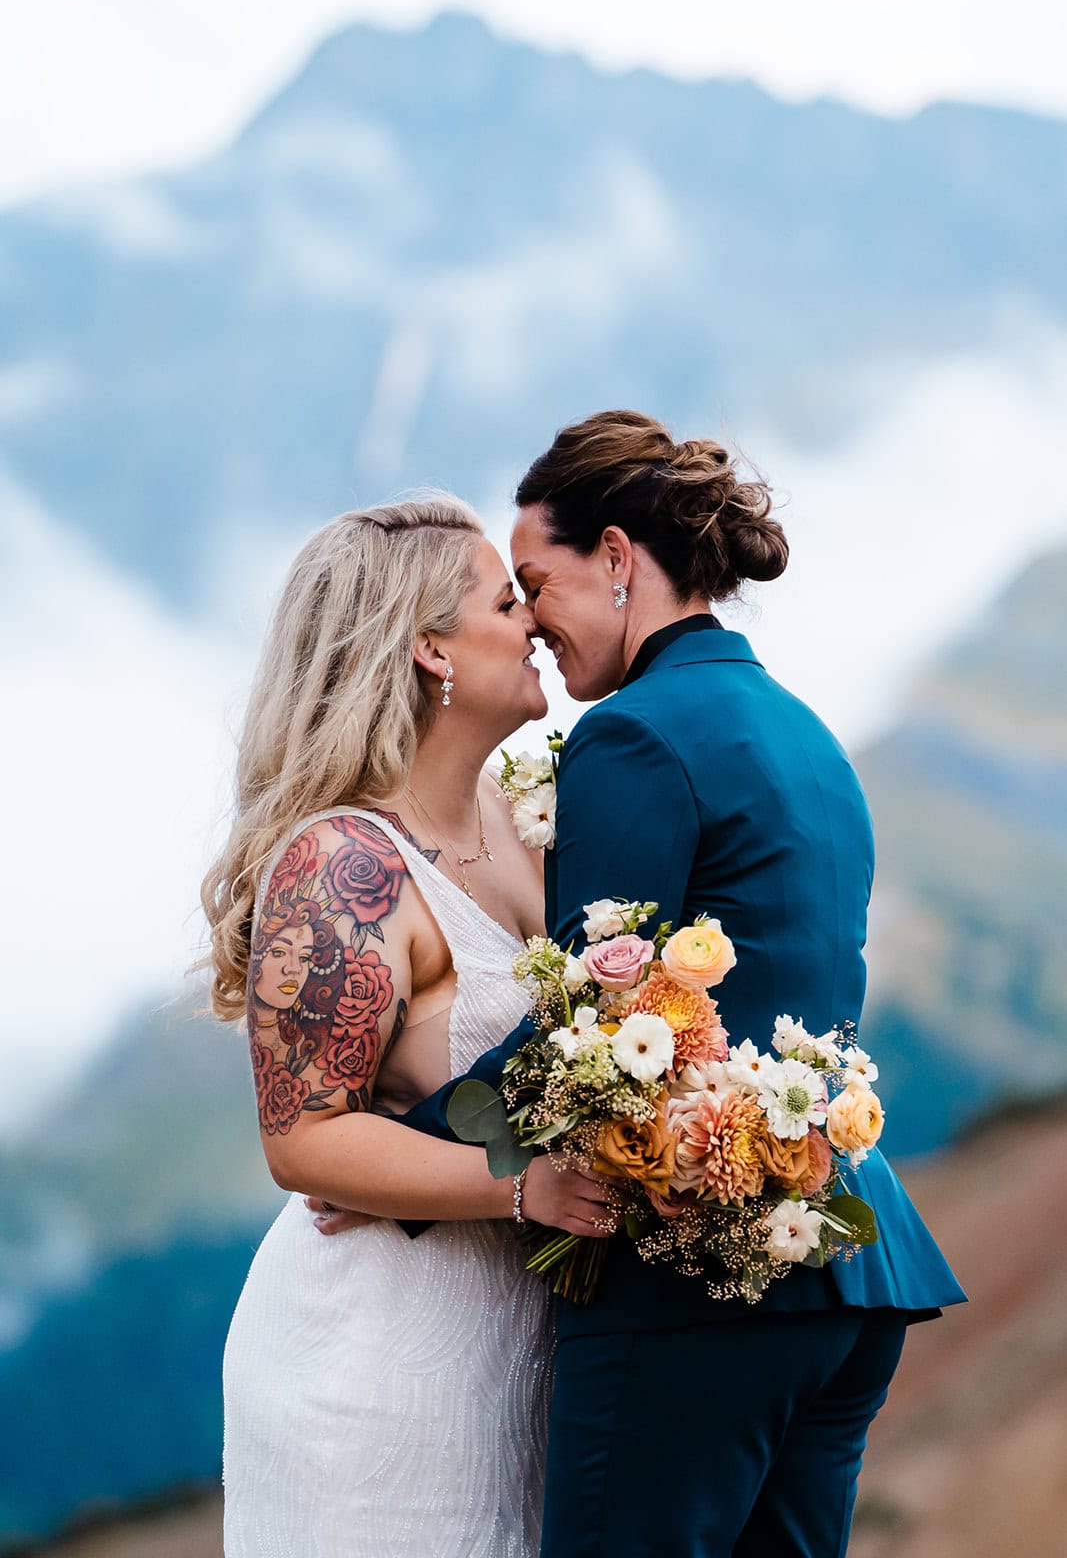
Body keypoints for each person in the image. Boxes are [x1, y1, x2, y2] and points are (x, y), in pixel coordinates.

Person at [318, 410, 966, 1558]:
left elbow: (592, 1027)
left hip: (695, 1287)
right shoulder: (807, 735)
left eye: (536, 584)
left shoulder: (630, 737)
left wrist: (393, 1164)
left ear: (617, 558)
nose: (530, 623)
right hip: (845, 1268)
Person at [204, 495, 619, 1558]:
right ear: (431, 648)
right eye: (504, 602)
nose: (532, 621)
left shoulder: (520, 819)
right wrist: (525, 1186)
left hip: (513, 1357)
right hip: (373, 1374)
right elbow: (304, 1139)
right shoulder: (341, 863)